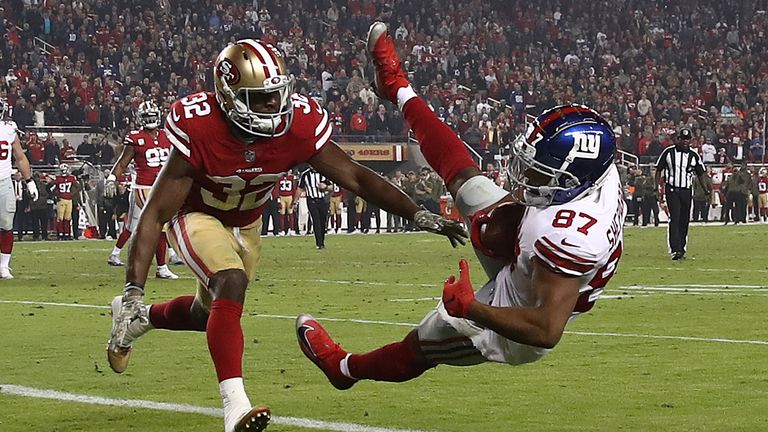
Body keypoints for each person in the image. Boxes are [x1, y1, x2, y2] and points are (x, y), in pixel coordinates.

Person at [105, 38, 466, 432]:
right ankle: (235, 405)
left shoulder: (298, 124)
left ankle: (140, 323)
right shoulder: (200, 125)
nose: (274, 106)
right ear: (228, 97)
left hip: (248, 223)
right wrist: (133, 290)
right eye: (261, 98)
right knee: (231, 282)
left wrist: (417, 212)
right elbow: (156, 212)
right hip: (197, 214)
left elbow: (356, 176)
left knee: (206, 313)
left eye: (277, 95)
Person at [295, 22, 625, 392]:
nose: (527, 176)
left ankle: (345, 368)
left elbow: (546, 329)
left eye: (539, 172)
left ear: (572, 182)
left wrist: (471, 308)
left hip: (519, 310)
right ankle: (398, 87)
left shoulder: (572, 237)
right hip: (533, 249)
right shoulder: (598, 171)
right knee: (468, 182)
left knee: (423, 343)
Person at [105, 101, 178, 279]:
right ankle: (160, 266)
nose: (150, 120)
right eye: (147, 117)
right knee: (148, 225)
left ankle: (162, 263)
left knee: (156, 225)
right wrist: (112, 178)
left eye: (152, 116)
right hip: (143, 187)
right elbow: (123, 162)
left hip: (162, 186)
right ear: (140, 119)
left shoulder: (167, 135)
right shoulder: (135, 138)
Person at [655, 128, 711, 260]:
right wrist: (656, 188)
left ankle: (682, 247)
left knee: (684, 219)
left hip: (686, 190)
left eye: (688, 139)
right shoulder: (668, 153)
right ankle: (675, 249)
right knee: (675, 217)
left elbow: (700, 173)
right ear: (677, 139)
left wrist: (706, 190)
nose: (685, 141)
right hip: (672, 189)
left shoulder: (694, 155)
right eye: (682, 139)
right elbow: (658, 170)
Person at [0, 99, 38, 278]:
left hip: (4, 181)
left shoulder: (9, 129)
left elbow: (20, 157)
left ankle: (4, 265)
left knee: (7, 224)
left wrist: (29, 180)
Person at [297, 165, 330, 249]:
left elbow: (331, 187)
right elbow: (300, 188)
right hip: (311, 200)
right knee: (316, 221)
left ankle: (322, 241)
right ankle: (319, 243)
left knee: (323, 221)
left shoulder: (324, 173)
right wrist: (295, 201)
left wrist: (325, 187)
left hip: (322, 200)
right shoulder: (305, 174)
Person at [276, 170, 297, 235]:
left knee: (290, 214)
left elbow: (294, 189)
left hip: (289, 197)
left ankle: (291, 229)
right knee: (282, 214)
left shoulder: (292, 178)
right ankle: (282, 230)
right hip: (282, 197)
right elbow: (277, 188)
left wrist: (294, 200)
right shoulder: (280, 178)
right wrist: (278, 199)